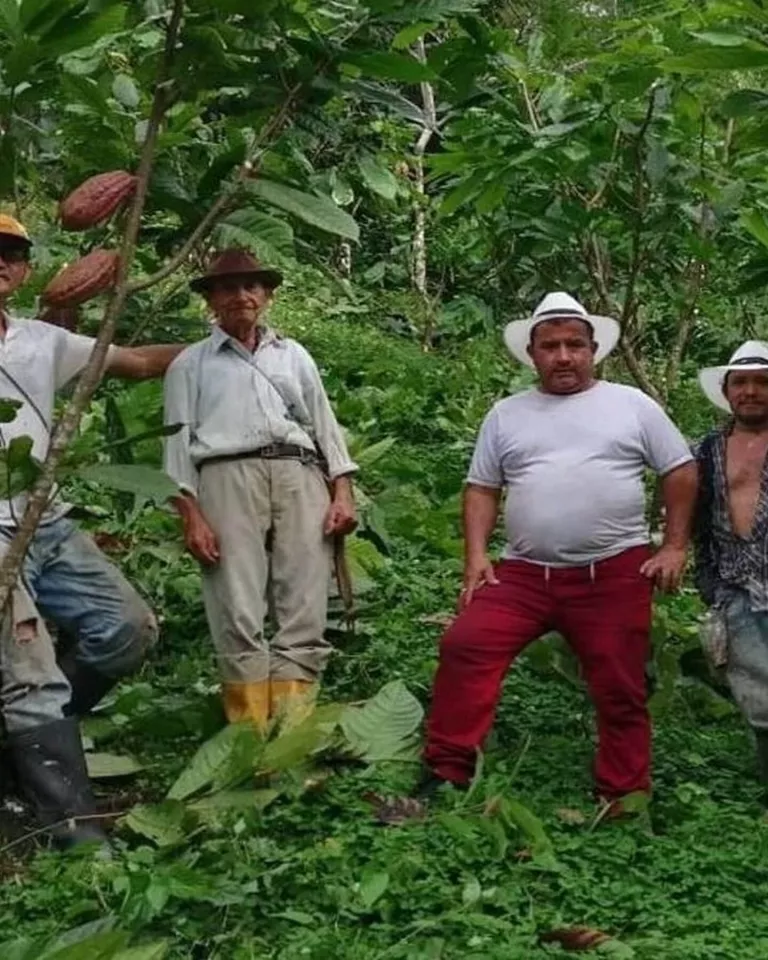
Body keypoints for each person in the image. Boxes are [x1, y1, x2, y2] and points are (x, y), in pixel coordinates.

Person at [421, 291, 698, 811]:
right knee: (466, 645)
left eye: (575, 344)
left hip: (612, 571)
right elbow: (482, 487)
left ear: (594, 350)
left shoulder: (632, 405)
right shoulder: (507, 414)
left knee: (620, 683)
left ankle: (622, 795)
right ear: (533, 354)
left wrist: (675, 546)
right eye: (551, 346)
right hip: (523, 574)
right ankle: (447, 770)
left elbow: (679, 469)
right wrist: (476, 556)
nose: (564, 356)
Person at [0, 213, 184, 848]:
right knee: (31, 675)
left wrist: (218, 343)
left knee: (127, 629)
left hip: (45, 520)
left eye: (11, 253)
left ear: (25, 270)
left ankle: (21, 743)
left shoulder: (42, 342)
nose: (0, 263)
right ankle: (76, 837)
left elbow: (136, 363)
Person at [163, 248, 357, 733]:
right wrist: (192, 516)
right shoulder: (190, 364)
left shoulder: (293, 355)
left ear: (267, 295)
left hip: (298, 472)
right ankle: (248, 733)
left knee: (304, 599)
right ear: (211, 299)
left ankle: (291, 731)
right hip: (226, 476)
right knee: (236, 602)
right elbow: (176, 449)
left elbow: (325, 427)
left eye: (251, 286)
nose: (241, 296)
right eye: (228, 288)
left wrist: (342, 491)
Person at [694, 340, 768, 790]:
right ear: (727, 391)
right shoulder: (705, 451)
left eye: (762, 382)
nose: (751, 391)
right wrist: (708, 582)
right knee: (757, 697)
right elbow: (694, 520)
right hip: (736, 588)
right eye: (741, 382)